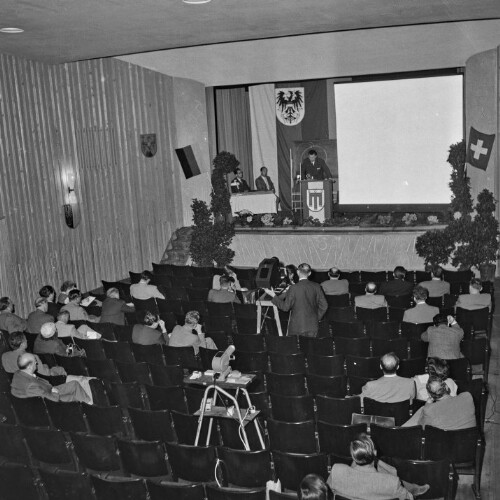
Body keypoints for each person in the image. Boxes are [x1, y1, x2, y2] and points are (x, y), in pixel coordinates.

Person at [327, 434, 429, 500]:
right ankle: (413, 488)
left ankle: (414, 487)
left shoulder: (337, 470)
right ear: (375, 453)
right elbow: (408, 498)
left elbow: (329, 491)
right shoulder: (391, 483)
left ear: (353, 455)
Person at [264, 263, 328, 337]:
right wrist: (317, 318)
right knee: (311, 348)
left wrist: (273, 295)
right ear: (309, 273)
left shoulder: (293, 288)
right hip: (313, 326)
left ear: (297, 272)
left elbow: (285, 307)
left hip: (297, 327)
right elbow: (325, 305)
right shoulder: (317, 286)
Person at [10, 352, 92, 404]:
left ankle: (87, 402)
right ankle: (90, 406)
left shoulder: (17, 374)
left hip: (46, 390)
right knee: (74, 398)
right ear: (29, 366)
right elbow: (50, 401)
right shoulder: (31, 386)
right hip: (51, 398)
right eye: (34, 361)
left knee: (74, 384)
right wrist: (54, 393)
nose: (36, 362)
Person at [402, 378, 476, 430]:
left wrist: (427, 404)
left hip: (443, 449)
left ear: (430, 395)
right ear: (447, 387)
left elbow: (421, 425)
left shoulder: (429, 410)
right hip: (469, 446)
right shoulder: (467, 396)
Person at [2, 331, 66, 377]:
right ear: (22, 344)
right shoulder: (32, 358)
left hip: (15, 383)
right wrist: (59, 370)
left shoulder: (4, 356)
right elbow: (46, 373)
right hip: (32, 383)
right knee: (61, 369)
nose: (27, 340)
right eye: (25, 340)